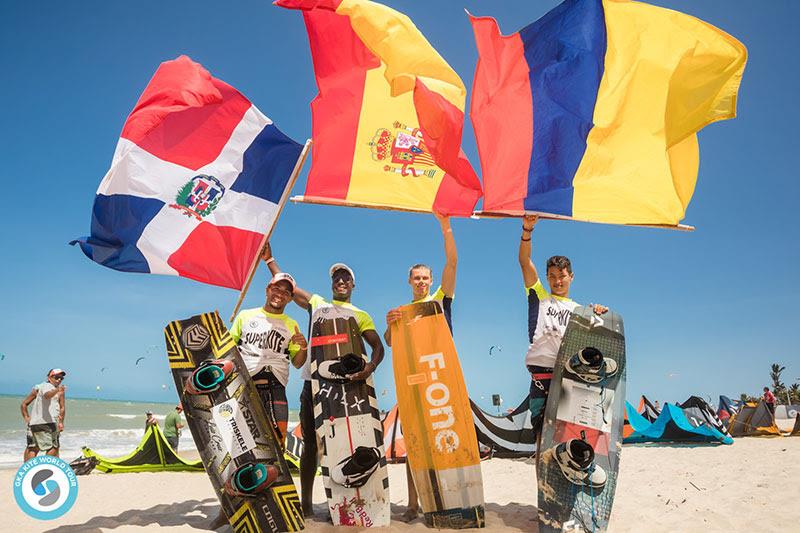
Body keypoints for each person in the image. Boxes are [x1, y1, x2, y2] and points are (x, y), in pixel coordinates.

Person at [264, 243, 384, 517]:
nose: (341, 281)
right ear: (332, 283)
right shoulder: (318, 304)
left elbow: (378, 347)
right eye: (336, 277)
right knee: (310, 447)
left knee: (341, 445)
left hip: (347, 388)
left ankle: (338, 505)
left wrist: (370, 368)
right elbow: (289, 289)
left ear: (353, 284)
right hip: (314, 385)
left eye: (346, 278)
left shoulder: (360, 314)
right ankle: (306, 506)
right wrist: (269, 260)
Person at [519, 215, 612, 487]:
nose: (557, 281)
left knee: (568, 435)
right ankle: (543, 491)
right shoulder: (539, 296)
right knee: (542, 437)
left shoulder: (580, 311)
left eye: (562, 276)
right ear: (547, 278)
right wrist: (527, 230)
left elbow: (595, 337)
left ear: (571, 277)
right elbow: (524, 262)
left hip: (571, 376)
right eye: (553, 277)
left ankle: (568, 483)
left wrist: (599, 315)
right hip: (542, 376)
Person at [384, 212, 456, 522]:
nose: (422, 282)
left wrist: (445, 227)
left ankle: (441, 499)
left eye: (426, 278)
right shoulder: (403, 311)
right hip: (413, 383)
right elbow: (389, 342)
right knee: (414, 446)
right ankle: (413, 504)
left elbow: (451, 265)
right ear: (410, 282)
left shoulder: (440, 301)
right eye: (417, 278)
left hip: (440, 380)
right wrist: (389, 325)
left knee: (443, 441)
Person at [230, 273, 308, 443]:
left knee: (276, 441)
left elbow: (298, 363)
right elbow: (228, 350)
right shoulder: (245, 316)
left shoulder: (291, 324)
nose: (280, 294)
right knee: (242, 440)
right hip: (245, 384)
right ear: (267, 290)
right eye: (276, 288)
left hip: (276, 387)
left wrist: (303, 347)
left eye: (286, 292)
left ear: (290, 299)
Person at [21, 368, 66, 461]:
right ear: (49, 377)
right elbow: (47, 395)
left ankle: (28, 471)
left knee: (32, 447)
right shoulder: (46, 387)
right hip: (48, 424)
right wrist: (26, 417)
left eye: (61, 378)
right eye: (57, 377)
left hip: (36, 423)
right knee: (53, 447)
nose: (59, 380)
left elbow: (62, 407)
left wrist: (61, 422)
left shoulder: (43, 388)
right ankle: (47, 469)